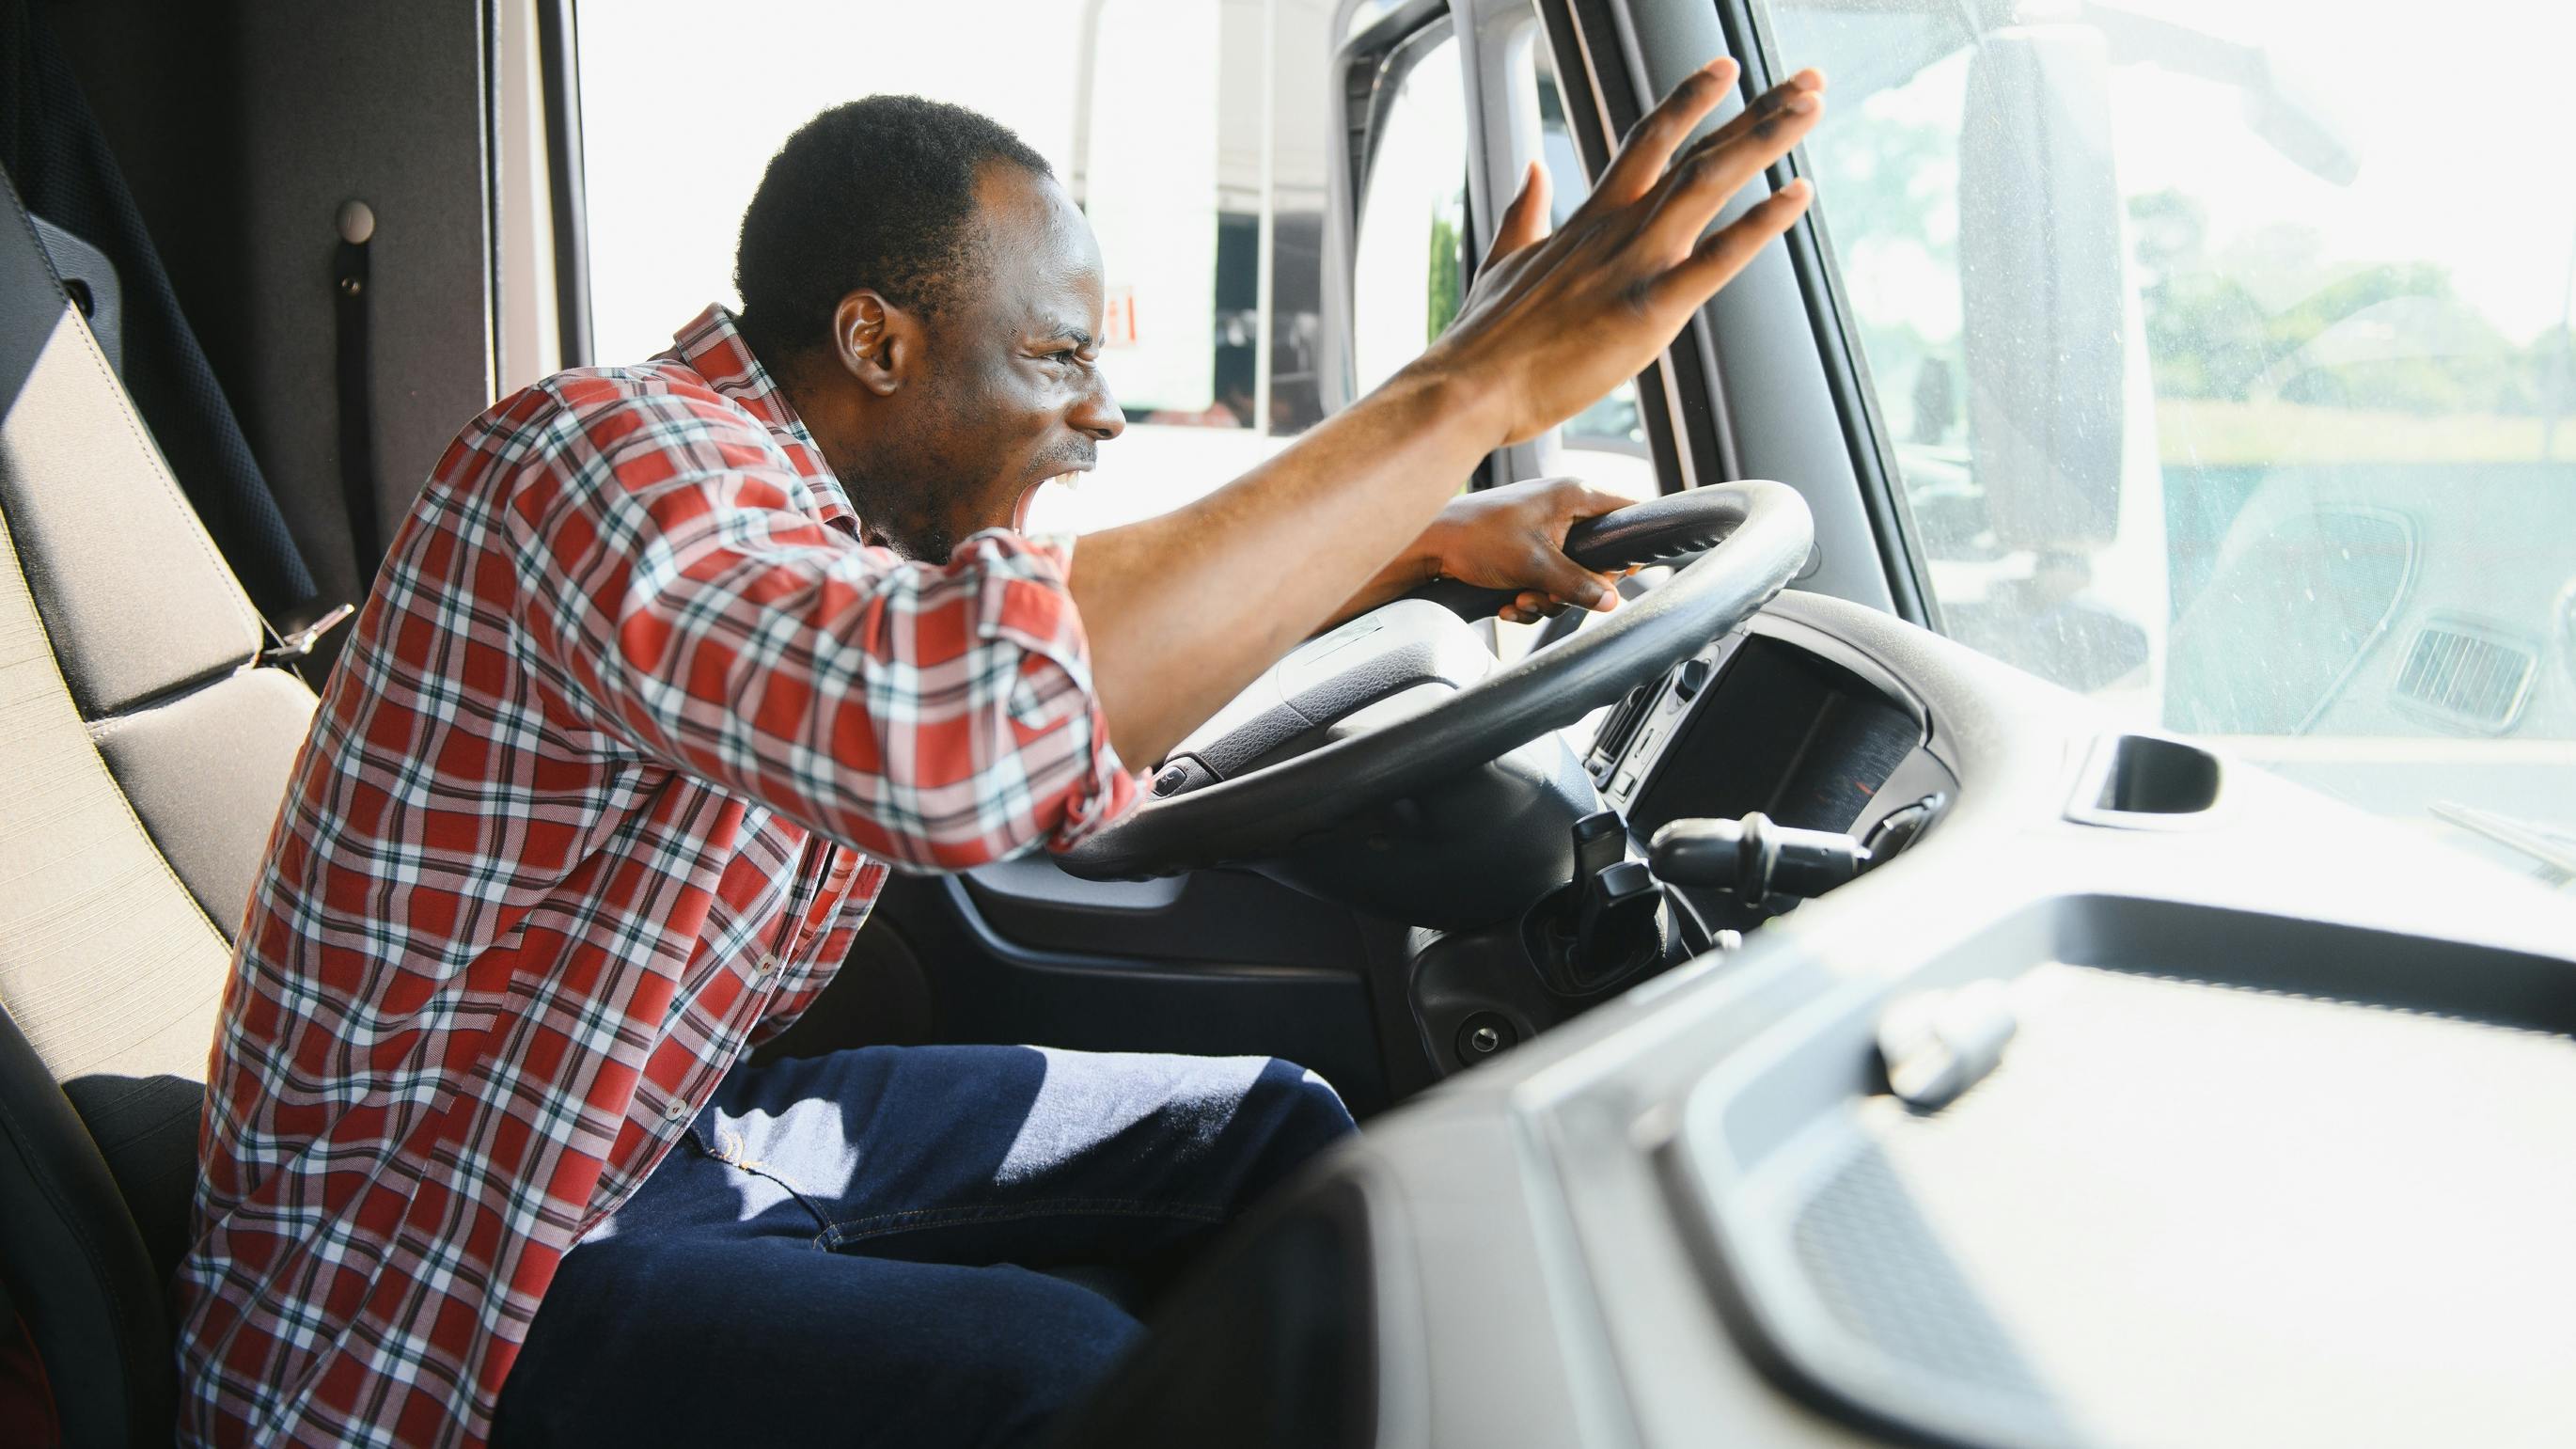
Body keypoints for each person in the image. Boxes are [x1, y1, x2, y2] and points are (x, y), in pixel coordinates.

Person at [173, 56, 1825, 1449]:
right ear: (880, 344)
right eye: (1057, 358)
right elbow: (965, 717)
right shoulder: (612, 460)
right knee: (1082, 1378)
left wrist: (1417, 538)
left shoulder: (826, 519)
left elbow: (998, 633)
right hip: (445, 1261)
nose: (1102, 414)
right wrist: (1460, 388)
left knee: (1284, 1129)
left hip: (639, 1137)